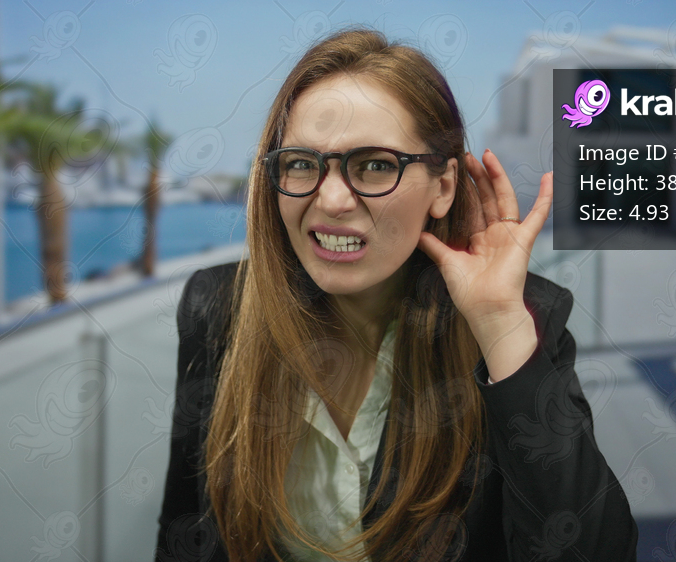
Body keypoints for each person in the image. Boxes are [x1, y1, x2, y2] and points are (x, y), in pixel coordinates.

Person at [155, 27, 638, 562]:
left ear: (443, 188)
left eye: (375, 165)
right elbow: (184, 534)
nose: (332, 200)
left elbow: (593, 550)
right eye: (302, 164)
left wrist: (499, 323)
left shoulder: (523, 318)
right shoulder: (218, 308)